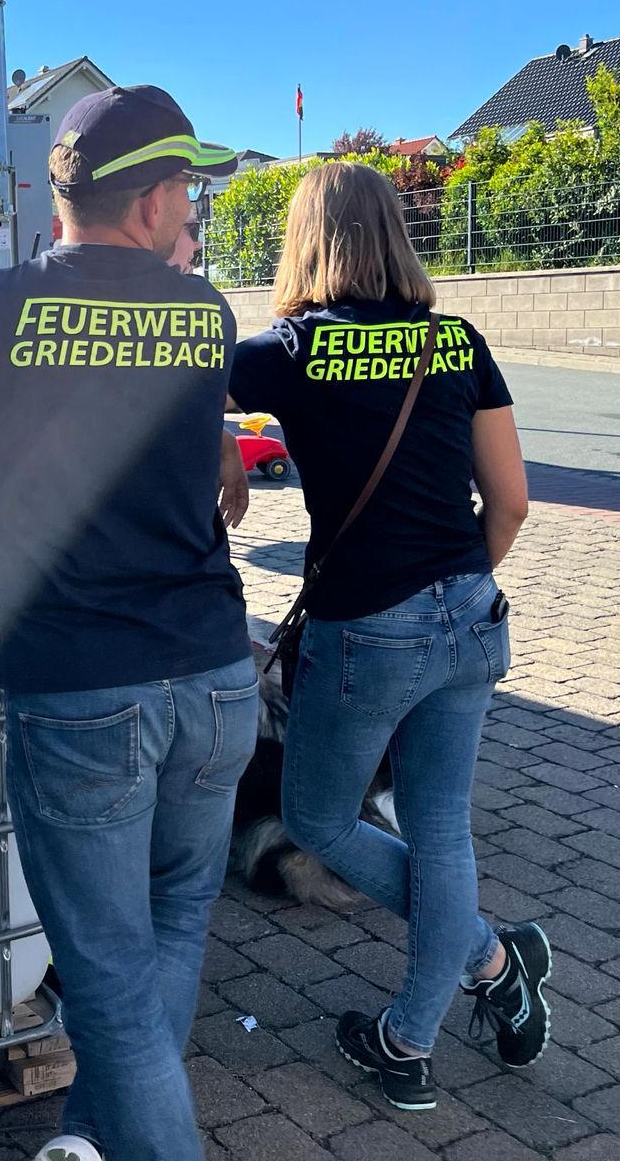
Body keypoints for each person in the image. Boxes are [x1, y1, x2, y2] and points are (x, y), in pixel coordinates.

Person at [0, 85, 255, 1161]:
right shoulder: (204, 311)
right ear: (149, 203)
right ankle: (97, 1135)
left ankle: (121, 1136)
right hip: (215, 675)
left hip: (80, 685)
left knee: (106, 977)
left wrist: (19, 416)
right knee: (171, 923)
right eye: (186, 187)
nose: (191, 205)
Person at [227, 162, 545, 1112]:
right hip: (473, 614)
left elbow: (176, 384)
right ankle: (443, 1007)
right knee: (441, 828)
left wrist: (223, 459)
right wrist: (457, 583)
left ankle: (479, 968)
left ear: (305, 241)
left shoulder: (287, 350)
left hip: (367, 630)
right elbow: (512, 502)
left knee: (319, 819)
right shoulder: (457, 341)